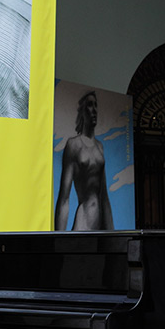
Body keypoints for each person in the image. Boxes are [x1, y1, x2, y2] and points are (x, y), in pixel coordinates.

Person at [55, 91, 113, 231]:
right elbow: (64, 198)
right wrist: (58, 239)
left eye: (96, 105)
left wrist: (112, 235)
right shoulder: (74, 145)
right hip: (85, 220)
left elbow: (104, 195)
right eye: (89, 105)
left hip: (100, 222)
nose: (94, 110)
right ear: (82, 111)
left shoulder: (100, 147)